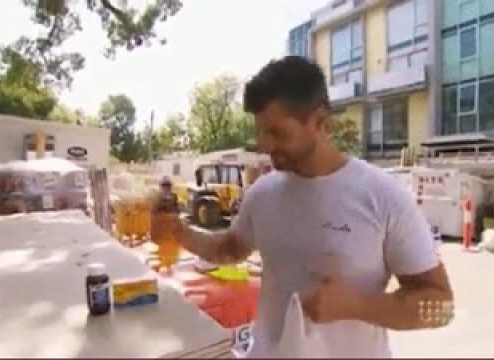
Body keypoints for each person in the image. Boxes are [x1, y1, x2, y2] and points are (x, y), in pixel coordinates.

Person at [153, 56, 454, 358]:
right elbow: (230, 249)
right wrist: (180, 234)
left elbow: (441, 307)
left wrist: (358, 307)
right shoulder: (262, 193)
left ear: (320, 122)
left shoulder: (383, 196)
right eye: (261, 132)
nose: (265, 145)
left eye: (278, 133)